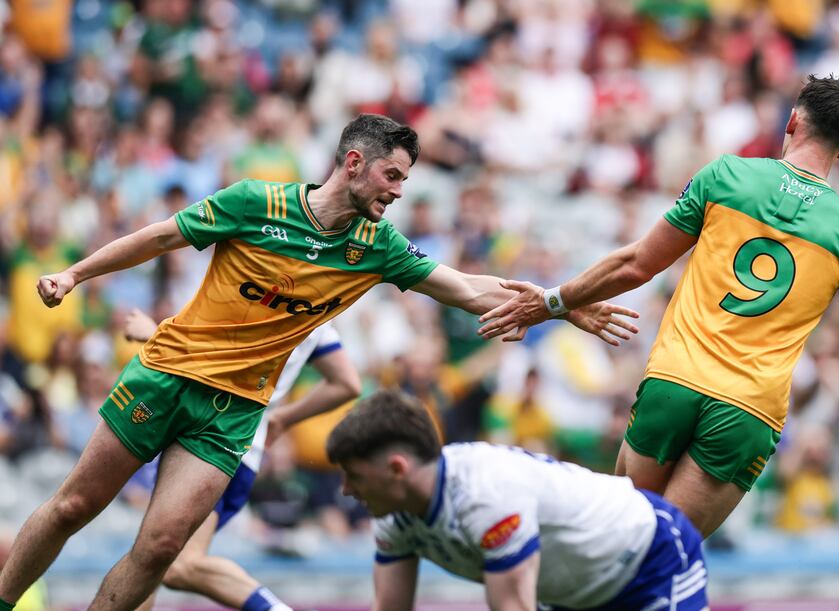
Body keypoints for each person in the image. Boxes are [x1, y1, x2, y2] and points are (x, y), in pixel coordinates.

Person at [0, 113, 637, 611]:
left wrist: (559, 303)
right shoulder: (257, 202)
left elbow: (469, 288)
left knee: (165, 547)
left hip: (236, 411)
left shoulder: (377, 245)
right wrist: (75, 273)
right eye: (392, 176)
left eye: (405, 181)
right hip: (168, 372)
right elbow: (163, 235)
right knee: (74, 507)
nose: (398, 191)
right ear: (354, 163)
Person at [478, 75, 839, 538]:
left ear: (792, 121)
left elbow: (636, 264)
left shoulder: (726, 175)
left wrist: (554, 300)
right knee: (665, 553)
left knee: (620, 540)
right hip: (748, 407)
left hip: (675, 380)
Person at [327, 391, 709, 611]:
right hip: (572, 596)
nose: (346, 489)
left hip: (650, 560)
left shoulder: (486, 496)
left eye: (355, 475)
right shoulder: (394, 517)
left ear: (397, 469)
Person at [120, 309, 360, 611]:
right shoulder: (320, 309)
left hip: (213, 445)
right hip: (241, 452)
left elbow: (223, 368)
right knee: (152, 560)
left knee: (176, 564)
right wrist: (283, 418)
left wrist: (154, 334)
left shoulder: (265, 296)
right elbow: (347, 383)